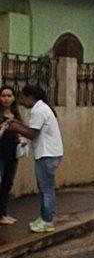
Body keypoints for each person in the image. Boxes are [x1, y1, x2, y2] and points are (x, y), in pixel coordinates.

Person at [7, 85, 63, 233]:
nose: (22, 101)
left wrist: (15, 128)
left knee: (46, 189)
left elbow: (32, 133)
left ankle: (47, 220)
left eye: (23, 98)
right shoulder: (41, 108)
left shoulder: (39, 110)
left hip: (47, 154)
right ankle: (44, 216)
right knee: (45, 187)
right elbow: (31, 129)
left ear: (30, 97)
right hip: (49, 153)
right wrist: (17, 124)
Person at [0, 85, 25, 225]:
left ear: (14, 98)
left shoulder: (16, 115)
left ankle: (3, 214)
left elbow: (20, 132)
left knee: (7, 184)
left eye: (9, 96)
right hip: (1, 154)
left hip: (12, 154)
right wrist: (3, 128)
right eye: (3, 95)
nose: (6, 99)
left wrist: (22, 139)